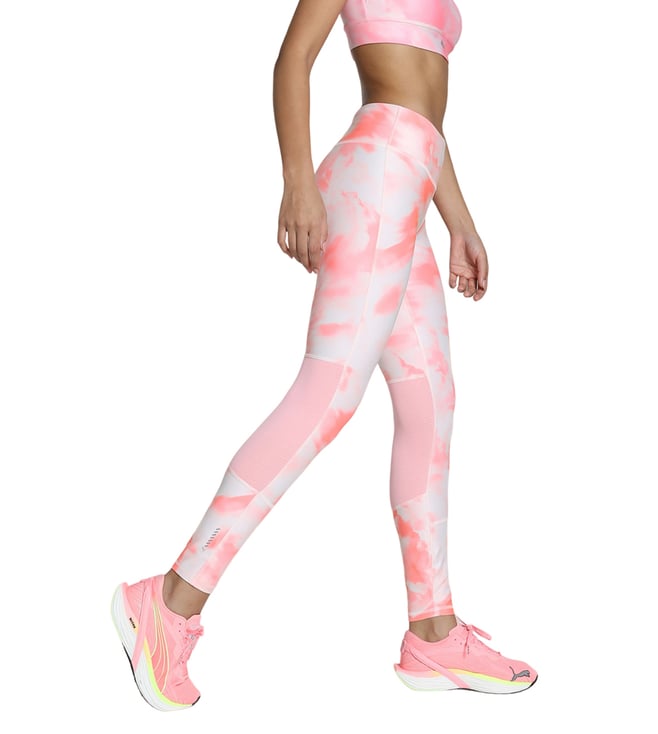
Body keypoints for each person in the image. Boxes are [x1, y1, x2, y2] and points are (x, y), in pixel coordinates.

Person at [110, 0, 538, 710]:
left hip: (410, 180)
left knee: (431, 406)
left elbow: (427, 114)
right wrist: (298, 183)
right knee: (329, 393)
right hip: (376, 176)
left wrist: (459, 221)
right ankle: (170, 599)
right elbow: (293, 60)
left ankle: (433, 633)